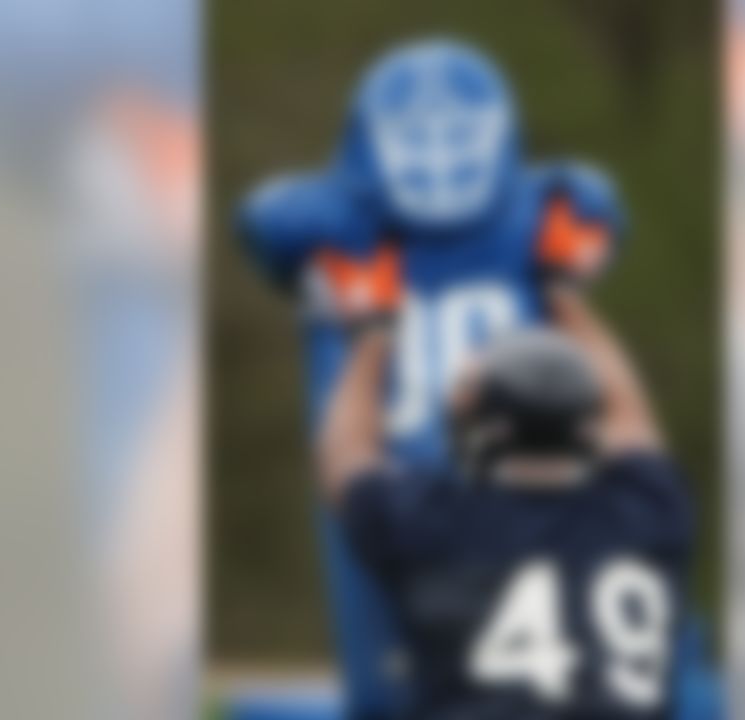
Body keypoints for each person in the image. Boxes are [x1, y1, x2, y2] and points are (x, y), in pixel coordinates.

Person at [239, 38, 624, 718]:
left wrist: (575, 240)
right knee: (390, 677)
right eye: (416, 139)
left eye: (458, 137)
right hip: (398, 487)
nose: (441, 159)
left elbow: (594, 198)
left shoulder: (539, 211)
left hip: (512, 483)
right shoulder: (341, 224)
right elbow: (267, 219)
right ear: (368, 144)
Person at [310, 241, 695, 719]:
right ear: (587, 422)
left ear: (484, 429)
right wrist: (564, 292)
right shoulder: (649, 510)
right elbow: (630, 419)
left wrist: (372, 335)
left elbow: (347, 458)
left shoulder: (436, 519)